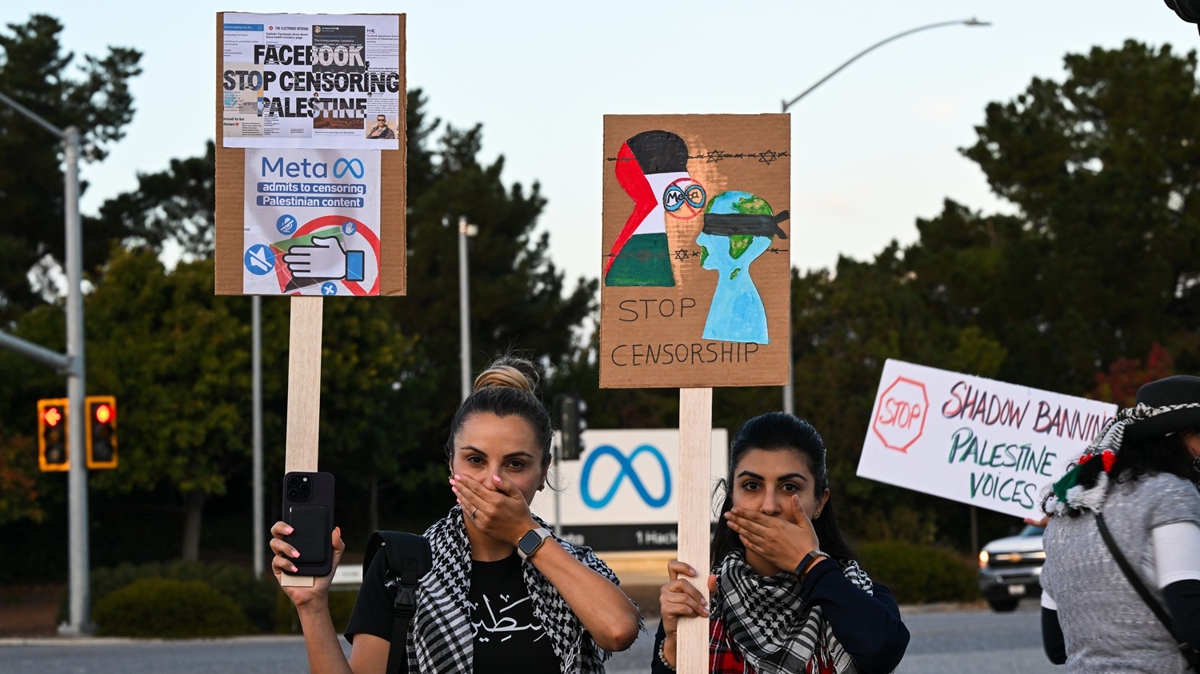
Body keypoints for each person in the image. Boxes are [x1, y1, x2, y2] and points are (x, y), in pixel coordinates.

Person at [271, 356, 641, 673]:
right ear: (451, 464)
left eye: (515, 464)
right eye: (475, 460)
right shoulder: (403, 565)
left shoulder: (572, 565)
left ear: (543, 473)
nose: (493, 481)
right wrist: (313, 606)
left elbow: (618, 630)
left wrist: (524, 533)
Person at [653, 412, 909, 673]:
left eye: (789, 488)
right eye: (752, 485)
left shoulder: (859, 594)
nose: (769, 506)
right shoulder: (701, 597)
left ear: (820, 502)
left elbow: (884, 651)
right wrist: (674, 643)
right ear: (732, 496)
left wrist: (811, 564)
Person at [1040, 374, 1200, 671]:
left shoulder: (1064, 511)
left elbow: (1056, 646)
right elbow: (1193, 620)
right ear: (1182, 437)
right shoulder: (1170, 492)